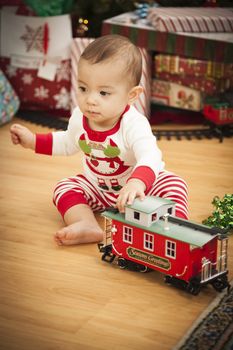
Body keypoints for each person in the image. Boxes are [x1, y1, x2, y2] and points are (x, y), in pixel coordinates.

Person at [10, 34, 188, 246]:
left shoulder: (133, 123)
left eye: (103, 93)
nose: (90, 100)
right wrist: (32, 141)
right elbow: (67, 142)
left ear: (132, 95)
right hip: (98, 189)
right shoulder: (80, 116)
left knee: (174, 184)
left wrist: (137, 182)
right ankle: (86, 223)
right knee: (64, 187)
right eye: (84, 88)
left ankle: (176, 228)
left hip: (139, 191)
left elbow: (150, 155)